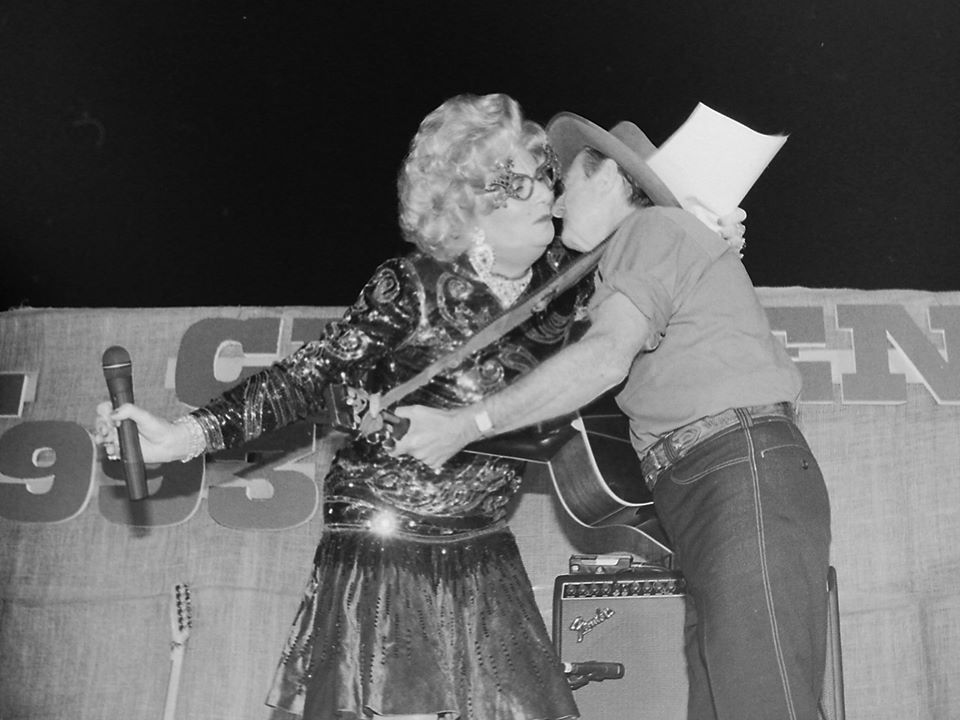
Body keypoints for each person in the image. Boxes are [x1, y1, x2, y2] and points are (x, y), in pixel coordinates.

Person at [94, 93, 592, 720]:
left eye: (542, 173)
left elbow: (649, 269)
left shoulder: (564, 285)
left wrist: (705, 243)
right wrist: (181, 436)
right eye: (516, 182)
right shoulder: (411, 287)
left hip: (483, 543)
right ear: (468, 210)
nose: (543, 191)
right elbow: (304, 377)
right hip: (387, 554)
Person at [394, 111, 832, 720]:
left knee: (761, 704)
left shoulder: (653, 230)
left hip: (738, 471)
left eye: (564, 182)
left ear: (608, 178)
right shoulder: (624, 267)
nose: (553, 202)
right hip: (707, 487)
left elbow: (602, 359)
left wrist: (470, 425)